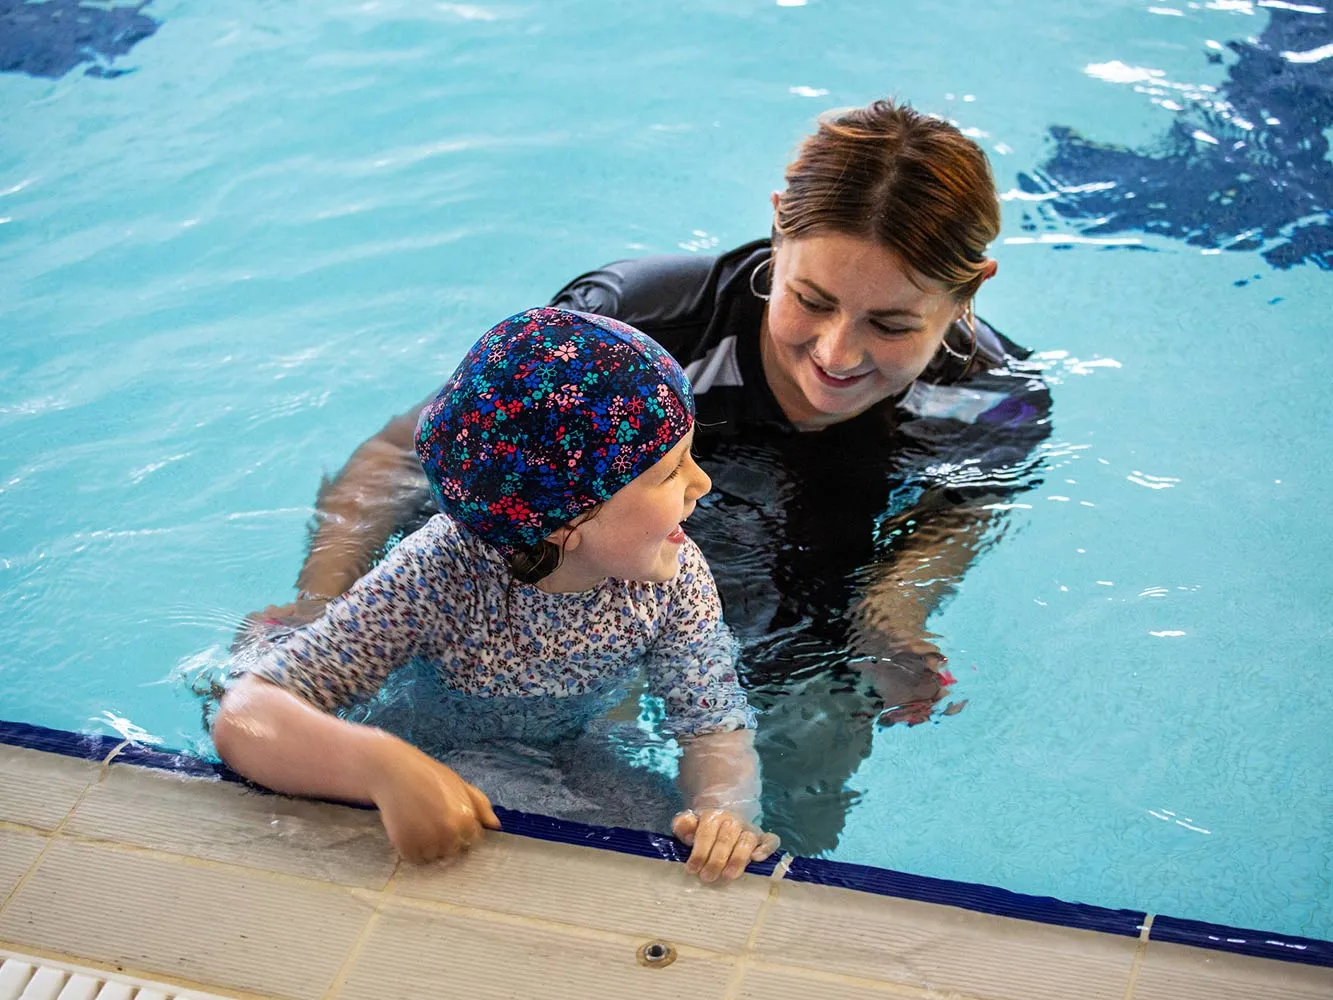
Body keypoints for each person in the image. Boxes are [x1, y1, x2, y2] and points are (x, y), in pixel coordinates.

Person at [245, 100, 1052, 854]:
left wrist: (890, 614)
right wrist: (318, 607)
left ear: (969, 289)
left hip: (719, 580)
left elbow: (959, 511)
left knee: (809, 765)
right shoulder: (636, 333)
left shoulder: (992, 403)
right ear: (777, 227)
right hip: (571, 571)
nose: (836, 354)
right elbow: (404, 454)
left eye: (890, 324)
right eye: (810, 299)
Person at [215, 307, 781, 882]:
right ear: (565, 520)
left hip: (570, 742)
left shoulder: (673, 573)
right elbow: (245, 715)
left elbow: (712, 723)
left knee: (664, 838)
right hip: (428, 741)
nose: (703, 483)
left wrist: (722, 812)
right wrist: (379, 766)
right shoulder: (438, 574)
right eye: (671, 472)